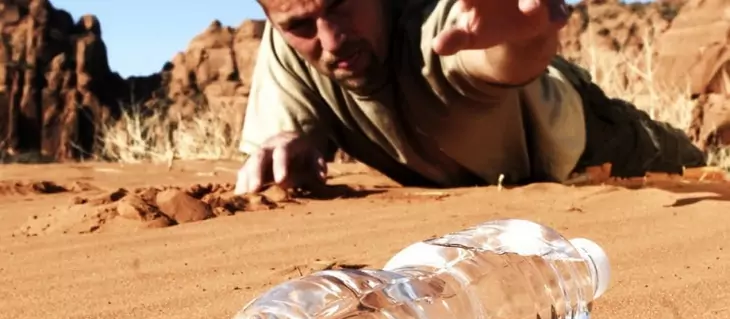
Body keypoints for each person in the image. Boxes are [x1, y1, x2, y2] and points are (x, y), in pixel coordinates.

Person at [234, 0, 706, 195]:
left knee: (698, 167)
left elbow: (496, 56)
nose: (331, 39)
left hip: (586, 139)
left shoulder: (438, 26)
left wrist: (528, 33)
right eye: (299, 25)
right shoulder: (287, 47)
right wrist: (287, 147)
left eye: (342, 4)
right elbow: (284, 139)